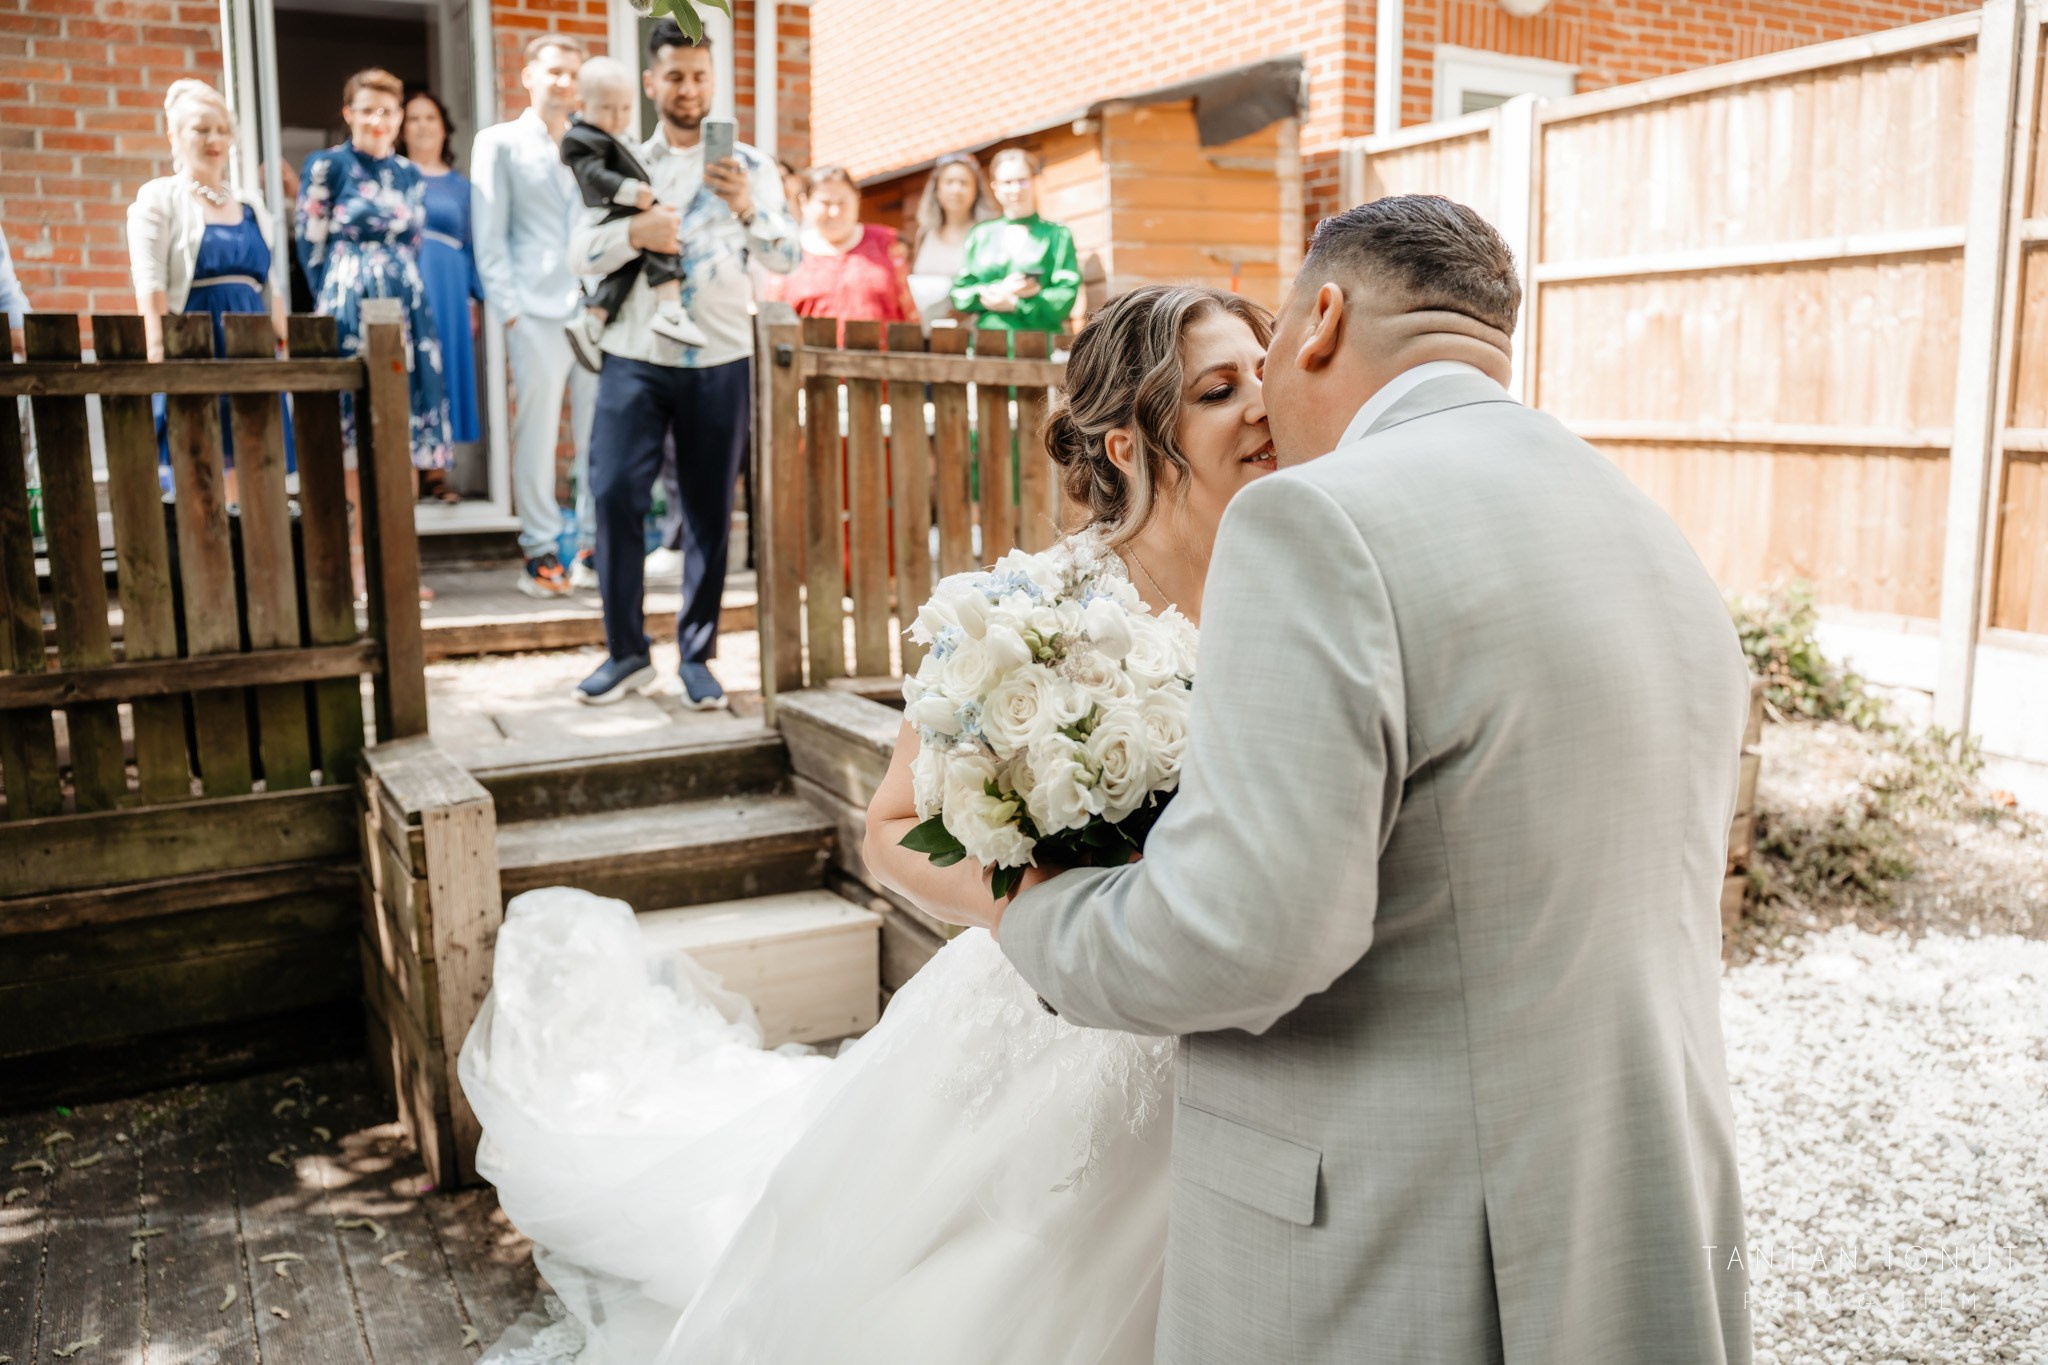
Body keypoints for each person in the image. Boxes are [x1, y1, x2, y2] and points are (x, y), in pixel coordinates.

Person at [997, 196, 1755, 1362]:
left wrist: (1039, 914)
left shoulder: (1319, 522)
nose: (1259, 405)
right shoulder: (1646, 525)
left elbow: (1244, 934)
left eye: (1268, 353)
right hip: (1627, 1216)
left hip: (1408, 1250)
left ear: (1322, 320)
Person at [460, 284, 1273, 1364]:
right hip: (1056, 1017)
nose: (1262, 405)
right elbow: (890, 829)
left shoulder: (1295, 590)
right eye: (1220, 390)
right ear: (1127, 441)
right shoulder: (1027, 613)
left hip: (1238, 1045)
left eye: (1264, 374)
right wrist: (1050, 912)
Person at [564, 18, 798, 710]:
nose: (688, 89)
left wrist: (748, 207)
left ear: (713, 80)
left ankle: (697, 655)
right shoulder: (623, 159)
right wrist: (634, 230)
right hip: (635, 351)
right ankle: (626, 652)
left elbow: (787, 256)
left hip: (720, 355)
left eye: (699, 76)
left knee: (706, 510)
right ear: (650, 82)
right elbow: (580, 254)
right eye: (674, 76)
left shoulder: (750, 166)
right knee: (612, 493)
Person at [472, 32, 599, 598]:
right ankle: (541, 549)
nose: (563, 81)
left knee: (600, 433)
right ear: (528, 75)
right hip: (533, 310)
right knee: (539, 429)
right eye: (553, 71)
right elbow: (489, 233)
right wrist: (511, 311)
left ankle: (595, 544)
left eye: (573, 72)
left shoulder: (589, 142)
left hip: (591, 308)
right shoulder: (497, 142)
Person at [128, 78, 291, 488]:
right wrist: (159, 356)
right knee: (198, 469)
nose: (214, 139)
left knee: (256, 466)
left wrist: (285, 345)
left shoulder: (251, 205)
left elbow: (267, 284)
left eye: (222, 129)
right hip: (194, 345)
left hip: (251, 348)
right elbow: (150, 283)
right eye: (201, 129)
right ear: (174, 136)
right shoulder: (159, 198)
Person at [297, 67, 451, 475]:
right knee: (355, 414)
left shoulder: (410, 173)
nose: (377, 121)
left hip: (406, 303)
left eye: (386, 111)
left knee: (402, 412)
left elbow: (414, 243)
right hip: (349, 300)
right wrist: (334, 295)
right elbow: (310, 245)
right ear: (348, 113)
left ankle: (403, 529)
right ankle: (359, 536)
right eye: (367, 111)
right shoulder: (326, 166)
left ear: (399, 116)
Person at [559, 56, 708, 365]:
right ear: (582, 103)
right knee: (661, 240)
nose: (617, 117)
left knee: (627, 267)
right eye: (607, 108)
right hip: (614, 209)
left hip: (628, 207)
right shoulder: (581, 138)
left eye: (625, 109)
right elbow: (592, 175)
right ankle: (670, 310)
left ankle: (593, 319)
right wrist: (630, 191)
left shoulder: (618, 137)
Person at [399, 88, 486, 503]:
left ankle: (435, 473)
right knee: (406, 367)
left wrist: (473, 299)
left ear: (444, 128)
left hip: (449, 286)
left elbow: (472, 245)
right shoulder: (394, 176)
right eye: (413, 118)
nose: (421, 126)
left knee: (443, 371)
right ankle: (402, 471)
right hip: (406, 279)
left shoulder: (461, 187)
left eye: (429, 118)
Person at [948, 147, 1080, 336]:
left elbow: (1066, 295)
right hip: (987, 345)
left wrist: (1017, 304)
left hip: (1039, 346)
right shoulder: (980, 235)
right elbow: (960, 293)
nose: (1016, 189)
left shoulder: (1057, 235)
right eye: (1008, 182)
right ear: (995, 187)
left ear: (1034, 182)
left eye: (1022, 181)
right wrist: (995, 290)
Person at [764, 165, 914, 324]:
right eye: (825, 203)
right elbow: (775, 322)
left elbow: (908, 310)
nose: (834, 212)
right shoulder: (789, 255)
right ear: (805, 202)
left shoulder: (888, 243)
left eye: (843, 202)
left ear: (857, 199)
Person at [907, 151, 996, 328]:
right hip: (927, 330)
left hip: (972, 333)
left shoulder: (987, 234)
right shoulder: (925, 234)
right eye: (949, 182)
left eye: (964, 183)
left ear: (976, 190)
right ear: (937, 189)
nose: (956, 189)